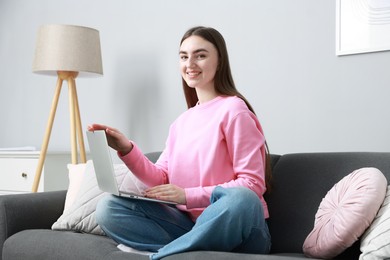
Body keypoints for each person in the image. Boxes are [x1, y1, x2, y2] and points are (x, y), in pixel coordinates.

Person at [89, 26, 272, 260]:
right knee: (109, 208)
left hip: (241, 229)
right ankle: (189, 249)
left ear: (220, 61)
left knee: (241, 200)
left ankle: (164, 254)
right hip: (192, 226)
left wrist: (187, 196)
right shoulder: (181, 122)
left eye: (201, 55)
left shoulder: (234, 110)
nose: (190, 63)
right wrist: (126, 149)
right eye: (184, 56)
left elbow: (252, 184)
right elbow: (161, 177)